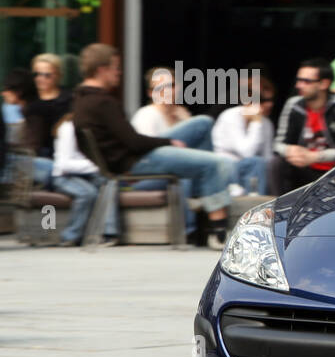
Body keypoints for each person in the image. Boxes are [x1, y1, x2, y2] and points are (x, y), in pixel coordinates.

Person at [71, 43, 232, 249]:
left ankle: (204, 193)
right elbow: (134, 141)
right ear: (102, 70)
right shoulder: (103, 102)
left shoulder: (80, 101)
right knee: (214, 163)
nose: (119, 73)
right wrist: (168, 142)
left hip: (128, 161)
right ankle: (218, 233)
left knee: (203, 123)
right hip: (137, 162)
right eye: (116, 67)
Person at [269, 59, 335, 195]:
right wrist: (289, 150)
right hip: (301, 167)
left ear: (324, 84)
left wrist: (315, 157)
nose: (299, 85)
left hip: (332, 170)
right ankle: (276, 208)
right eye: (299, 80)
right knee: (276, 163)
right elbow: (277, 144)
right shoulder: (294, 104)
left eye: (306, 81)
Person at [50, 114, 120, 247]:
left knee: (109, 184)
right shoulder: (68, 128)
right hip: (65, 176)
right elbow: (64, 164)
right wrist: (97, 166)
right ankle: (70, 236)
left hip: (89, 174)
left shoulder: (97, 129)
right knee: (87, 193)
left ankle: (109, 233)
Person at [131, 66, 215, 150]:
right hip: (156, 159)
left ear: (178, 87)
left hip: (179, 160)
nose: (167, 91)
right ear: (150, 93)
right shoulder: (146, 114)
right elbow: (147, 151)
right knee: (204, 122)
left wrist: (187, 120)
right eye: (159, 88)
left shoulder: (181, 113)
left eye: (171, 85)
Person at [212, 88, 274, 197]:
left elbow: (268, 157)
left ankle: (260, 203)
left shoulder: (266, 123)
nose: (269, 104)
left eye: (271, 100)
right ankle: (253, 205)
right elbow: (247, 152)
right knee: (256, 161)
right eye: (263, 101)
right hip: (225, 167)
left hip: (250, 170)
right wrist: (255, 122)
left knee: (263, 164)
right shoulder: (230, 116)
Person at [28, 53, 73, 157]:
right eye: (36, 74)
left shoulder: (69, 99)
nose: (40, 78)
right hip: (35, 156)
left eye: (47, 75)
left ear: (58, 75)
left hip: (62, 154)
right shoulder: (29, 100)